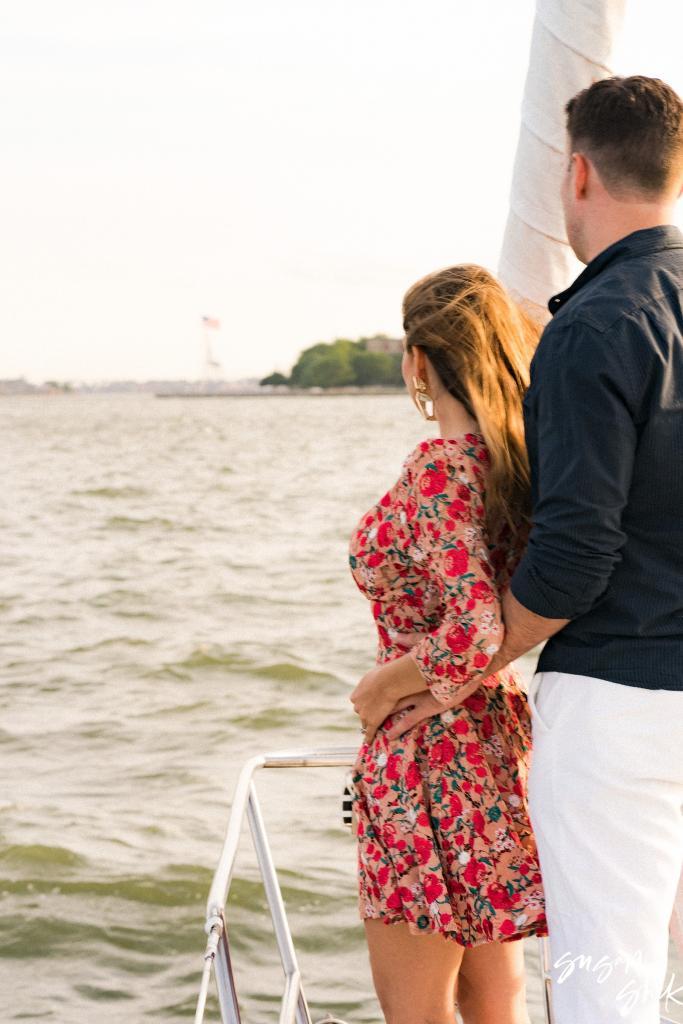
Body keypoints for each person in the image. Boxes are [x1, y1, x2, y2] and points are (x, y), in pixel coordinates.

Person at [376, 76, 683, 1023]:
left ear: (577, 172)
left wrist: (459, 666)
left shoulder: (593, 325)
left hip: (622, 702)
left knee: (605, 976)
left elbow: (573, 557)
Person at [348, 264, 548, 1024]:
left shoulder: (438, 471)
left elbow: (473, 628)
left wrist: (384, 687)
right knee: (496, 997)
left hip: (425, 750)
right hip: (494, 740)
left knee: (417, 1009)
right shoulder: (516, 464)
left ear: (420, 361)